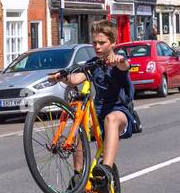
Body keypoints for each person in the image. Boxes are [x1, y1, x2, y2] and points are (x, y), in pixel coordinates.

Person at [47, 19, 134, 181]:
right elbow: (75, 79)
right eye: (94, 43)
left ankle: (106, 169)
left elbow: (125, 65)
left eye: (102, 43)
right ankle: (78, 176)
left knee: (112, 119)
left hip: (120, 112)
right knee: (81, 127)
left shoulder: (119, 61)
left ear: (113, 43)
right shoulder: (93, 64)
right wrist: (61, 77)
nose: (97, 47)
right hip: (99, 113)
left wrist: (118, 61)